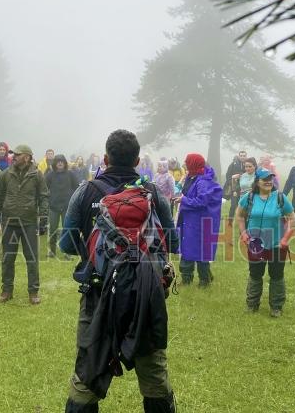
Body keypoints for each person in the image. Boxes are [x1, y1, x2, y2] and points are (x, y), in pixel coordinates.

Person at [60, 129, 178, 413]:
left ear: (105, 158)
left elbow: (65, 243)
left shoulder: (85, 191)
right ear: (138, 161)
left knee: (87, 376)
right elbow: (173, 240)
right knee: (154, 376)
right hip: (145, 295)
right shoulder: (152, 193)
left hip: (98, 293)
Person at [0, 144, 49, 305]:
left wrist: (43, 219)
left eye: (17, 154)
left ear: (27, 157)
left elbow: (44, 197)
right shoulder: (5, 174)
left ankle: (33, 292)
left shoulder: (37, 175)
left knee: (32, 259)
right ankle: (7, 290)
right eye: (13, 154)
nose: (13, 157)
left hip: (29, 222)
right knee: (7, 258)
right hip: (9, 222)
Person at [236, 168, 295, 317]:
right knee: (255, 274)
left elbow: (292, 219)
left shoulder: (280, 198)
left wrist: (285, 238)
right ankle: (252, 304)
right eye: (265, 179)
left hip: (277, 244)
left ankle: (276, 307)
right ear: (257, 181)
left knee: (276, 275)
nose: (269, 181)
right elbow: (240, 216)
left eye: (270, 179)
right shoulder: (249, 198)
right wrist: (243, 233)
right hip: (255, 244)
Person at [176, 153, 222, 287]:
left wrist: (183, 200)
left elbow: (202, 201)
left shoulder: (203, 181)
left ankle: (204, 280)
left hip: (199, 222)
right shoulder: (192, 177)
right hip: (191, 220)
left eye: (187, 161)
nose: (184, 163)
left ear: (193, 164)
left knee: (200, 251)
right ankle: (187, 279)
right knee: (187, 249)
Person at [45, 154, 79, 259]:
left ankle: (67, 252)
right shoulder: (50, 175)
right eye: (58, 161)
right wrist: (49, 199)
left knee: (67, 229)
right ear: (55, 163)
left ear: (65, 163)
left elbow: (77, 188)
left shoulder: (71, 174)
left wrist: (71, 199)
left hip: (67, 207)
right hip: (53, 207)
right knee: (52, 230)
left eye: (62, 161)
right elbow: (44, 188)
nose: (60, 163)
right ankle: (52, 251)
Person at [224, 151, 247, 245]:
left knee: (244, 211)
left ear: (246, 156)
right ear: (238, 156)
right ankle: (229, 226)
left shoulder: (248, 164)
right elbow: (227, 176)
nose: (242, 157)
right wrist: (233, 183)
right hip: (234, 191)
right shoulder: (233, 165)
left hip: (245, 191)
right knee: (233, 207)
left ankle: (243, 235)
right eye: (241, 155)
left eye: (244, 155)